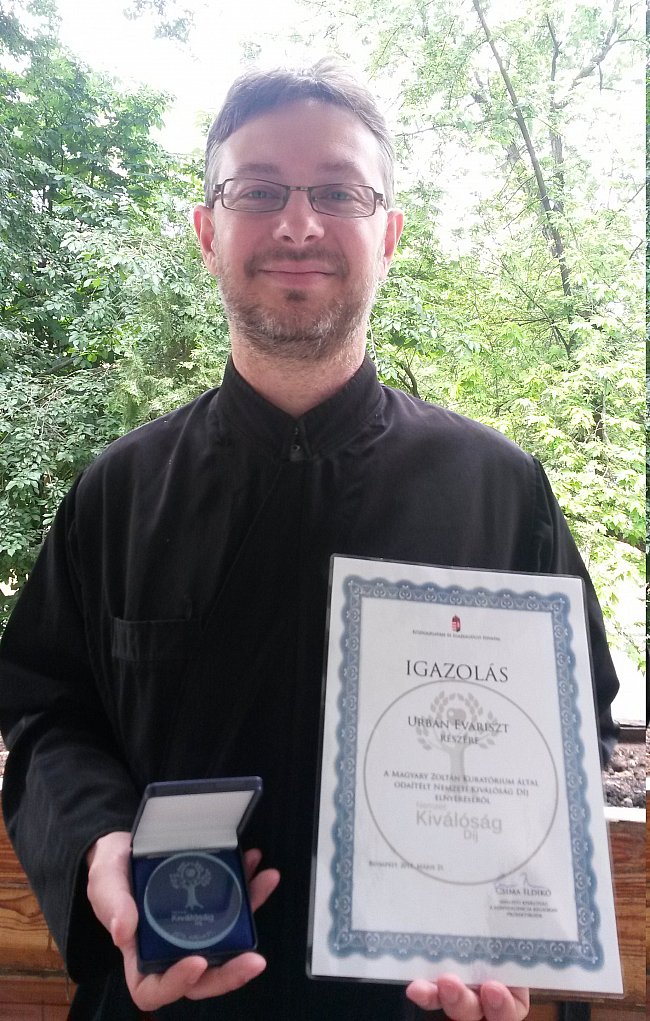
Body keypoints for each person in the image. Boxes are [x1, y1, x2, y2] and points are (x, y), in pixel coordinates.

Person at [0, 60, 618, 1021]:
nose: (297, 225)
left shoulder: (501, 491)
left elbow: (570, 724)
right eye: (258, 191)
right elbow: (45, 712)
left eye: (338, 192)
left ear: (389, 234)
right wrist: (98, 840)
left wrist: (520, 921)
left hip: (424, 1002)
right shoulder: (117, 492)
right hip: (169, 987)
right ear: (207, 231)